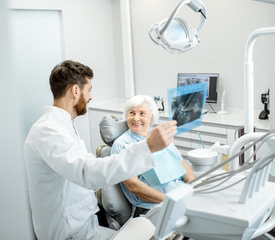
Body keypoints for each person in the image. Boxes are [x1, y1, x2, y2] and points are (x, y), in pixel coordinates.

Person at [23, 60, 177, 240]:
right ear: (75, 91)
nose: (90, 97)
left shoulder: (64, 126)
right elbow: (88, 173)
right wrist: (148, 147)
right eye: (89, 90)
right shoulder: (48, 131)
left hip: (87, 226)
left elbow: (89, 168)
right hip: (68, 233)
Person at [110, 95, 195, 217]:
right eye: (132, 113)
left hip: (181, 197)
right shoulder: (122, 145)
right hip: (152, 207)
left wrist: (195, 189)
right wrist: (171, 201)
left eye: (142, 113)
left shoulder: (160, 137)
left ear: (152, 118)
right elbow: (134, 186)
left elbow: (183, 166)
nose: (136, 118)